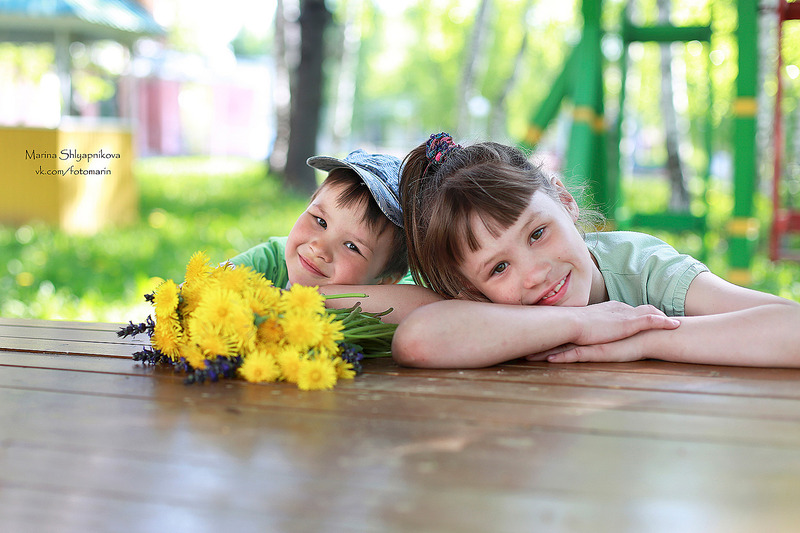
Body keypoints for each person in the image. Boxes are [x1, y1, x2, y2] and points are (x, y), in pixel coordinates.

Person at [384, 132, 800, 369]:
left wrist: (642, 339)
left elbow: (792, 327)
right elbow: (418, 341)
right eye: (498, 268)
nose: (533, 274)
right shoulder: (484, 309)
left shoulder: (643, 268)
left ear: (565, 202)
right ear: (470, 290)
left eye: (537, 234)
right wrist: (583, 324)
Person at [228, 149, 409, 289]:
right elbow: (209, 285)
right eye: (320, 221)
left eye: (351, 246)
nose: (319, 248)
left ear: (385, 281)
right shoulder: (272, 258)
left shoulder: (387, 317)